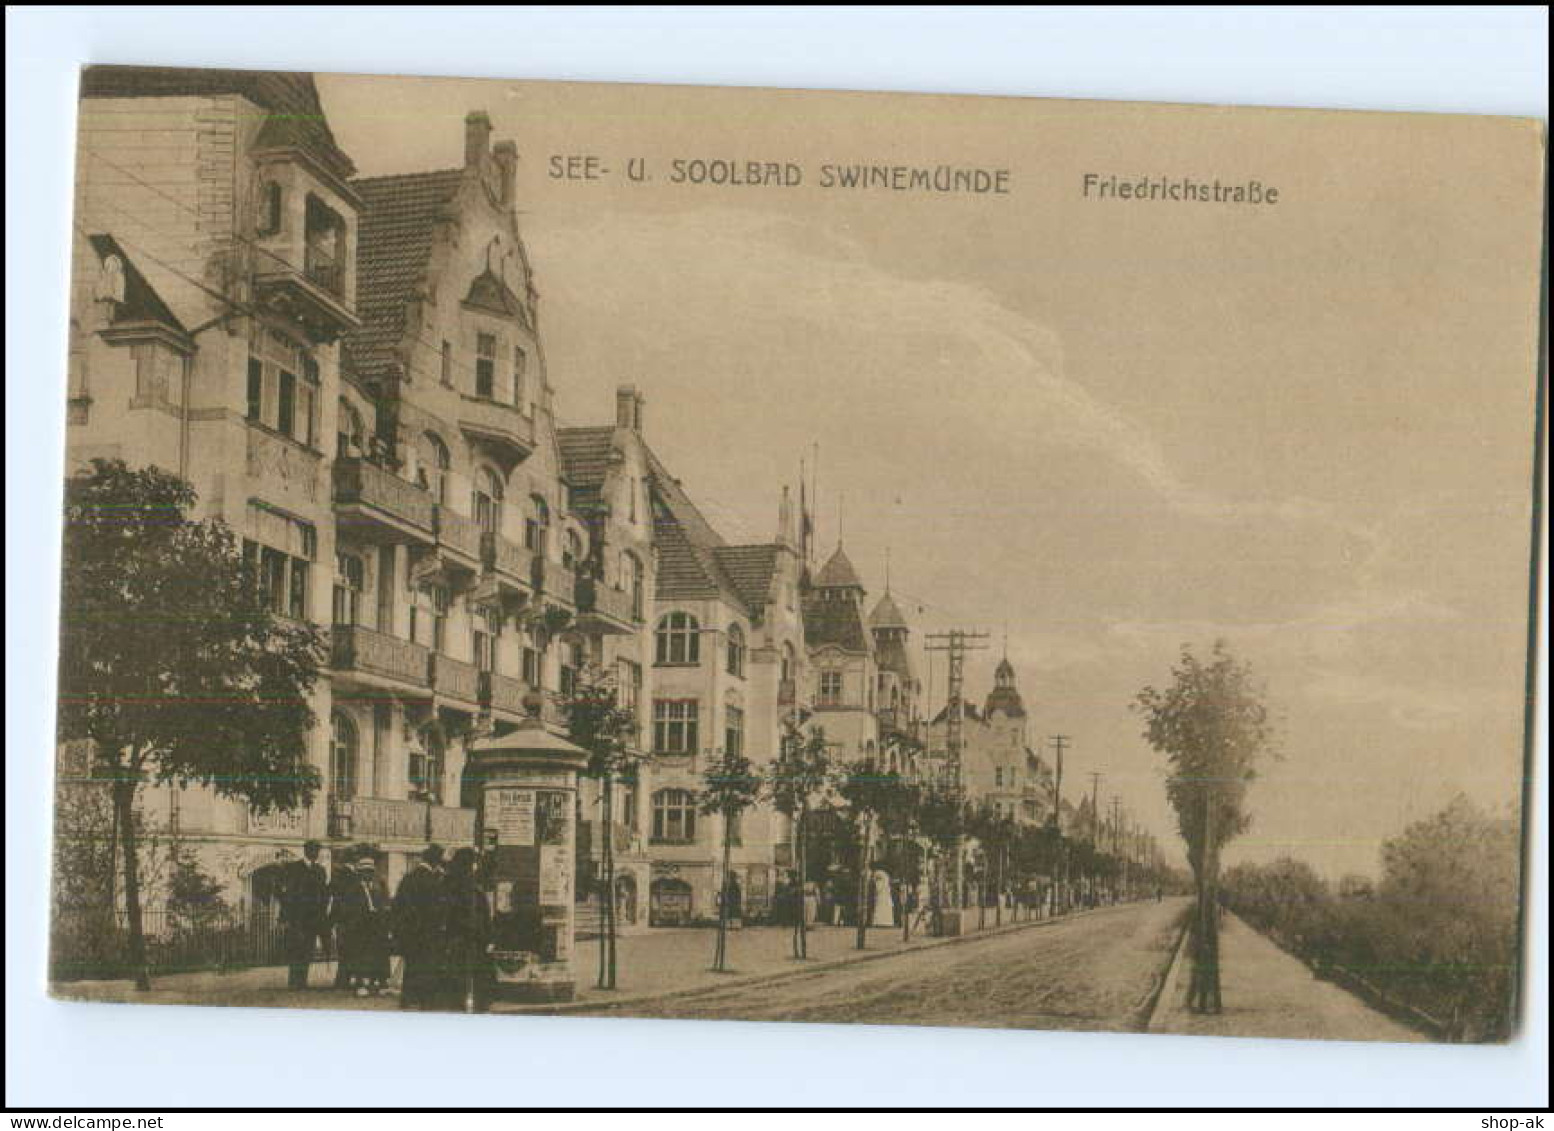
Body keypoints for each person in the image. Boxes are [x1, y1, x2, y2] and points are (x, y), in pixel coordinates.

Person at [394, 844, 447, 1010]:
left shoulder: (409, 877)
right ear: (435, 860)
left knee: (412, 965)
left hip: (410, 931)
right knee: (426, 965)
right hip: (427, 931)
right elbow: (435, 907)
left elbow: (399, 904)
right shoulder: (432, 880)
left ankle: (408, 998)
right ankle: (424, 999)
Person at [441, 848, 493, 1013]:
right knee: (463, 979)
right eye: (473, 863)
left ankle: (470, 1007)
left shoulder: (460, 883)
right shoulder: (457, 885)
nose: (474, 867)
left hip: (470, 938)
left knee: (468, 979)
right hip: (463, 938)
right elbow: (453, 912)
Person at [333, 856, 390, 996]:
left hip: (375, 924)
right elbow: (349, 909)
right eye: (365, 872)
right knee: (360, 954)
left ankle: (380, 982)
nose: (368, 875)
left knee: (379, 952)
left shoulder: (378, 887)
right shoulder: (353, 889)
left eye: (370, 872)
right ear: (360, 873)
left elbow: (384, 904)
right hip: (359, 925)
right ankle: (360, 983)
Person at [278, 841, 330, 990]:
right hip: (298, 917)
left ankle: (303, 981)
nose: (315, 853)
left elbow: (323, 893)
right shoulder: (294, 868)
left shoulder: (320, 870)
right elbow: (288, 894)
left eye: (317, 851)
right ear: (306, 851)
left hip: (313, 918)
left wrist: (322, 912)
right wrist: (286, 916)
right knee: (296, 948)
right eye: (312, 850)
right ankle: (293, 981)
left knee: (308, 948)